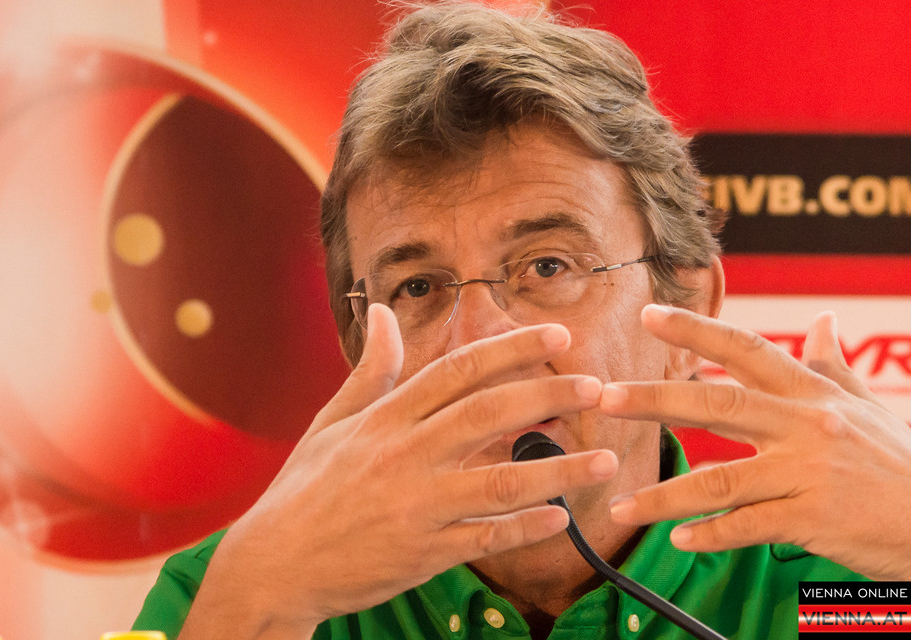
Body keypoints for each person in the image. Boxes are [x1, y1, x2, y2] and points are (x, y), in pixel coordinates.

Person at [134, 2, 911, 638]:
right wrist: (254, 608)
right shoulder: (243, 587)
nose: (482, 337)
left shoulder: (846, 583)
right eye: (418, 286)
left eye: (547, 267)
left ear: (682, 309)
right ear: (361, 350)